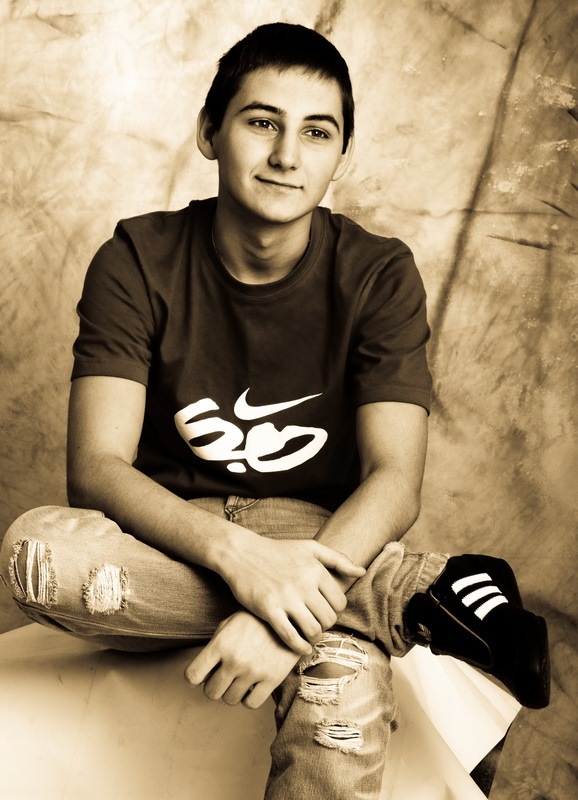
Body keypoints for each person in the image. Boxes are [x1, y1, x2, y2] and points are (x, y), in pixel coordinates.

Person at [0, 22, 549, 799]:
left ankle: (360, 611)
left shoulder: (379, 273)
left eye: (317, 132)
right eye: (262, 122)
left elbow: (395, 480)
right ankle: (412, 593)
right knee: (36, 557)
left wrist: (273, 618)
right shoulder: (137, 258)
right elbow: (96, 469)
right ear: (209, 133)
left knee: (341, 692)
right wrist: (239, 560)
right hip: (176, 536)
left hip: (321, 533)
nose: (288, 155)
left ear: (341, 155)